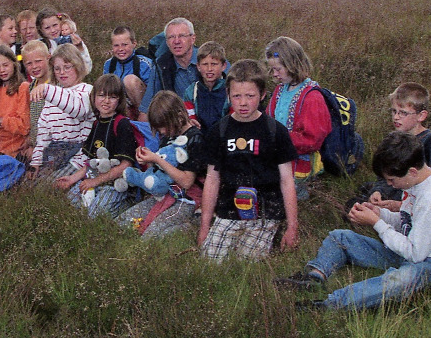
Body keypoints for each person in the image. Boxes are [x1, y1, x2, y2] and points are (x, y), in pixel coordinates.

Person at [279, 131, 431, 311]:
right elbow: (407, 222)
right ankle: (314, 278)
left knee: (401, 279)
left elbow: (415, 254)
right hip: (411, 249)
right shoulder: (418, 180)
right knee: (340, 238)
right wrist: (379, 213)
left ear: (412, 171)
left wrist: (376, 222)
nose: (389, 185)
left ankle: (332, 304)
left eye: (392, 180)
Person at [198, 59, 299, 262]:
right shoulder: (219, 131)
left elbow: (287, 181)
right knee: (211, 260)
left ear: (262, 95)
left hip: (266, 210)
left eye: (250, 96)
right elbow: (212, 179)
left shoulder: (275, 131)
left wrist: (292, 226)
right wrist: (205, 226)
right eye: (236, 96)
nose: (243, 103)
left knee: (247, 262)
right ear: (228, 96)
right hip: (229, 207)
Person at [118, 90, 207, 238]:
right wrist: (148, 160)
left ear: (178, 116)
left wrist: (157, 159)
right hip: (164, 194)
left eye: (165, 126)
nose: (163, 131)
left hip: (187, 200)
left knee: (151, 236)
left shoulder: (194, 139)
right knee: (122, 223)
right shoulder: (167, 136)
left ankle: (190, 226)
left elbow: (186, 181)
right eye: (159, 128)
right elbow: (160, 174)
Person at [361, 82, 431, 210]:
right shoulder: (395, 139)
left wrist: (402, 207)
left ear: (421, 116)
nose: (396, 117)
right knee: (357, 203)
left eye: (403, 113)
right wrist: (378, 192)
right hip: (396, 196)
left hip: (421, 209)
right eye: (394, 111)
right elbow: (385, 175)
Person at [54, 74, 138, 218]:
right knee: (69, 207)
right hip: (96, 179)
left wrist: (95, 181)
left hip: (116, 184)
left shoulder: (122, 124)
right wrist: (72, 178)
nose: (106, 101)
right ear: (93, 97)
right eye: (101, 95)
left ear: (119, 100)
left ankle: (127, 204)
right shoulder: (97, 123)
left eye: (112, 97)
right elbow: (92, 162)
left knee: (93, 215)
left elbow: (126, 165)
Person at [265, 36, 331, 200]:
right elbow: (268, 119)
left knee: (285, 199)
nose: (275, 74)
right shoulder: (280, 91)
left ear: (292, 65)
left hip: (300, 167)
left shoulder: (311, 97)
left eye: (278, 69)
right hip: (278, 160)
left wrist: (280, 139)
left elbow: (313, 139)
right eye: (272, 70)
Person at [28, 44, 94, 179]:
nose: (62, 72)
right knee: (31, 187)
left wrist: (47, 89)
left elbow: (78, 109)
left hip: (79, 158)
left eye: (67, 67)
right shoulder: (51, 99)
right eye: (57, 69)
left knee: (51, 187)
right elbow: (43, 137)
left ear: (78, 66)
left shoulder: (88, 91)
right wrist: (35, 163)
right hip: (54, 155)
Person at [139, 17, 200, 121]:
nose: (176, 41)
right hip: (178, 122)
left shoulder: (209, 59)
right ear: (166, 42)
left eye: (182, 36)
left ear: (193, 39)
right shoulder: (161, 65)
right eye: (171, 37)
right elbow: (147, 108)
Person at [102, 25, 153, 120]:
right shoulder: (109, 65)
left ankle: (143, 119)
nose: (120, 49)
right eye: (116, 45)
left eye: (125, 45)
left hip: (144, 106)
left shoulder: (144, 63)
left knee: (129, 80)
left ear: (134, 44)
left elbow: (153, 91)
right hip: (120, 104)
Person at [183, 41, 229, 134]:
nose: (209, 69)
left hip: (224, 137)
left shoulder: (230, 90)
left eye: (214, 64)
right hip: (200, 137)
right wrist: (191, 121)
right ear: (198, 66)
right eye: (205, 64)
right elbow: (189, 116)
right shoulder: (191, 91)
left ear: (223, 66)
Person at [35, 7, 92, 74]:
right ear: (41, 30)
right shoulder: (39, 46)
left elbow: (87, 69)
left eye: (55, 25)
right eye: (47, 28)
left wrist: (80, 49)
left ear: (61, 23)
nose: (53, 30)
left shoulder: (73, 40)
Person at [21, 40, 52, 159]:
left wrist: (37, 149)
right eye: (29, 63)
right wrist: (29, 141)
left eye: (38, 61)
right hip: (35, 143)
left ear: (48, 58)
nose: (34, 67)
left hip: (51, 146)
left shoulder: (57, 85)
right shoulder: (30, 87)